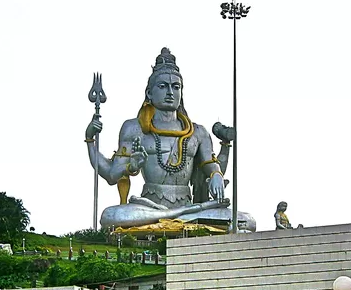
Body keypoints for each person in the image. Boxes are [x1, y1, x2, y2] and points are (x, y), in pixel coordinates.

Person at [85, 48, 255, 231]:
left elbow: (212, 166)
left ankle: (174, 218)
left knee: (246, 219)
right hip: (148, 207)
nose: (170, 92)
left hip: (189, 207)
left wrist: (216, 175)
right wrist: (92, 141)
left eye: (176, 87)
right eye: (163, 86)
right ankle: (174, 218)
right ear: (149, 93)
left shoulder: (198, 132)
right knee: (112, 215)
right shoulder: (135, 128)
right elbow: (111, 175)